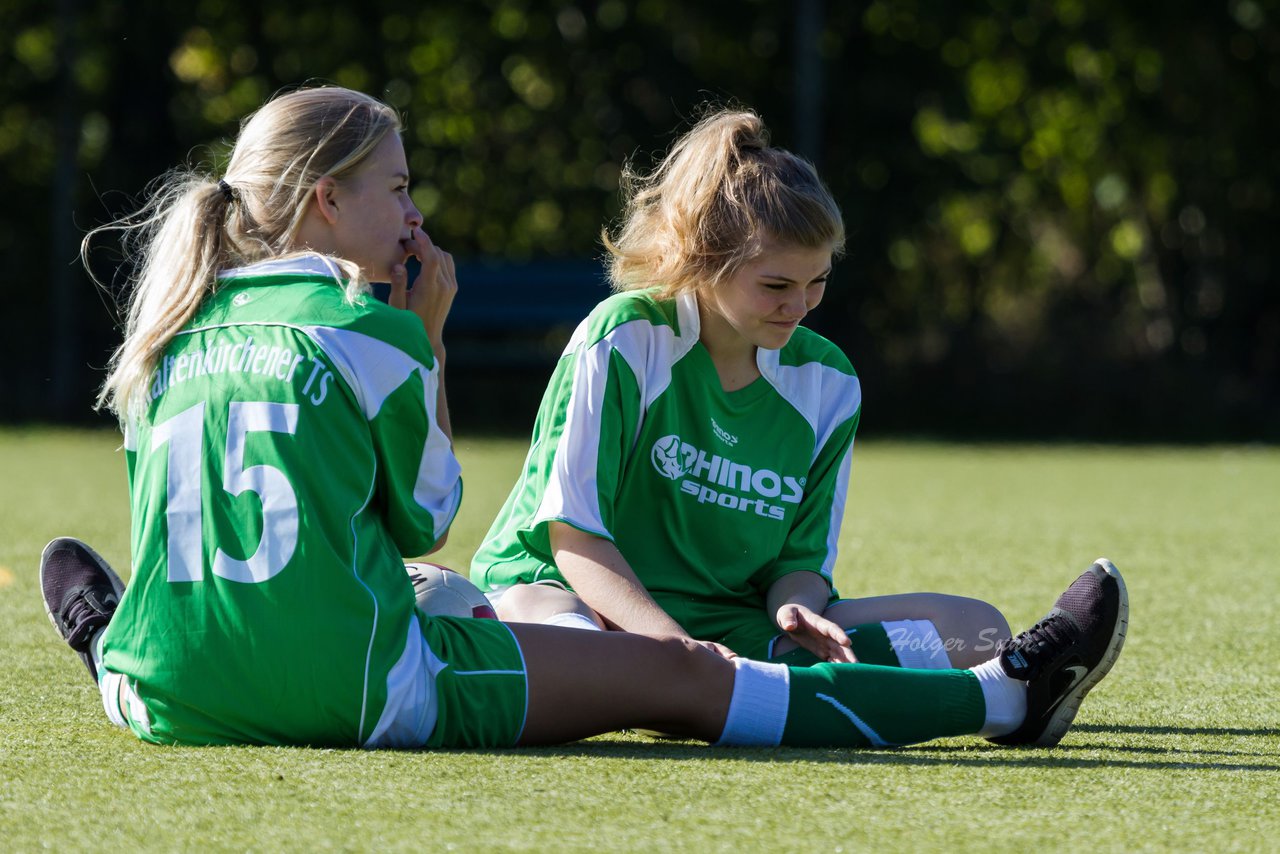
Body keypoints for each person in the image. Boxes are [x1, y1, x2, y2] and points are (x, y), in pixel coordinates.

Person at [41, 85, 1127, 751]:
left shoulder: (165, 326)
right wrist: (425, 339)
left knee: (436, 600)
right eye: (397, 186)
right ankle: (1000, 699)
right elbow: (425, 512)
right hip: (370, 687)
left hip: (165, 693)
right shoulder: (372, 330)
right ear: (327, 200)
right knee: (677, 679)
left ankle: (109, 645)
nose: (414, 210)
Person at [471, 107, 1007, 670]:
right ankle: (691, 683)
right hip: (575, 597)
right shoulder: (625, 339)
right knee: (569, 640)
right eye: (776, 284)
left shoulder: (828, 382)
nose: (799, 307)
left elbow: (798, 565)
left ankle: (702, 687)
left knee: (977, 631)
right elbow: (574, 540)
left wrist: (797, 611)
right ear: (701, 259)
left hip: (727, 621)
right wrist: (675, 647)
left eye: (818, 281)